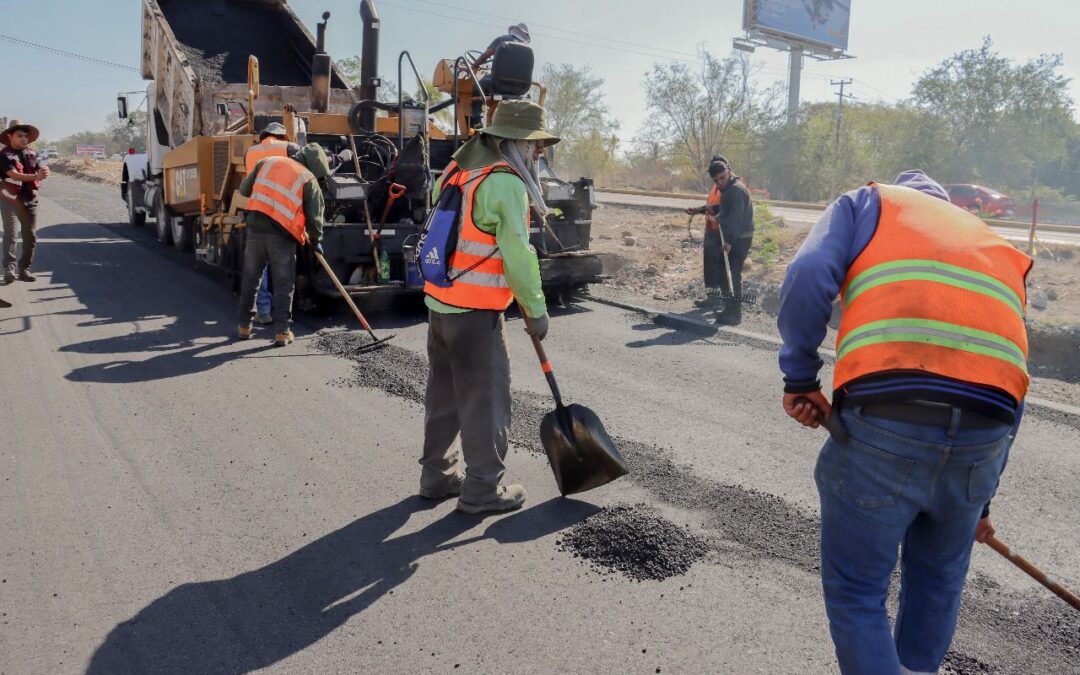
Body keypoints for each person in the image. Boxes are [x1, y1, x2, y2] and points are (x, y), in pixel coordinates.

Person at [777, 170, 1031, 674]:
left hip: (888, 419)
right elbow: (1011, 375)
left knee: (857, 593)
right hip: (986, 436)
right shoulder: (992, 245)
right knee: (937, 584)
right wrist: (980, 502)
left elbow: (807, 273)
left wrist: (800, 377)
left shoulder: (870, 205)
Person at [420, 99, 555, 515]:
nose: (539, 151)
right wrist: (535, 309)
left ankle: (437, 476)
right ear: (514, 142)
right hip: (476, 315)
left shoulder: (457, 170)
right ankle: (481, 489)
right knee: (485, 401)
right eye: (535, 144)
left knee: (443, 396)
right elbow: (518, 255)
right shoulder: (505, 183)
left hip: (440, 304)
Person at [236, 143, 328, 347]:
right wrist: (317, 240)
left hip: (255, 232)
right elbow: (315, 219)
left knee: (251, 280)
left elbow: (244, 190)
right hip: (282, 239)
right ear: (316, 165)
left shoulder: (266, 162)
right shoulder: (308, 179)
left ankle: (244, 327)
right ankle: (282, 333)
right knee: (283, 285)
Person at [246, 122, 302, 325]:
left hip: (257, 213)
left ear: (263, 136)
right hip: (282, 215)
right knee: (282, 266)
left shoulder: (250, 152)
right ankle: (283, 316)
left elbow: (247, 185)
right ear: (283, 137)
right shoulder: (290, 149)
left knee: (259, 266)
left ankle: (262, 311)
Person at [687, 156, 753, 324]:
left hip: (739, 238)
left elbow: (736, 219)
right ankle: (728, 309)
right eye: (716, 180)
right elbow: (721, 209)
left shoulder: (736, 190)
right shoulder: (728, 190)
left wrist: (728, 241)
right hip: (733, 236)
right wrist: (700, 210)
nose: (720, 182)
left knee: (732, 275)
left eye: (722, 178)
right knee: (724, 273)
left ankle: (734, 314)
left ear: (729, 172)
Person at [1, 120, 49, 285]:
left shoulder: (32, 154)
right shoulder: (4, 155)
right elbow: (13, 174)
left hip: (30, 199)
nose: (24, 139)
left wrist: (43, 171)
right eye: (19, 136)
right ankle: (9, 268)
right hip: (10, 200)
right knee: (11, 234)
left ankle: (24, 269)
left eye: (26, 136)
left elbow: (39, 170)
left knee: (30, 235)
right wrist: (36, 176)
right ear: (10, 136)